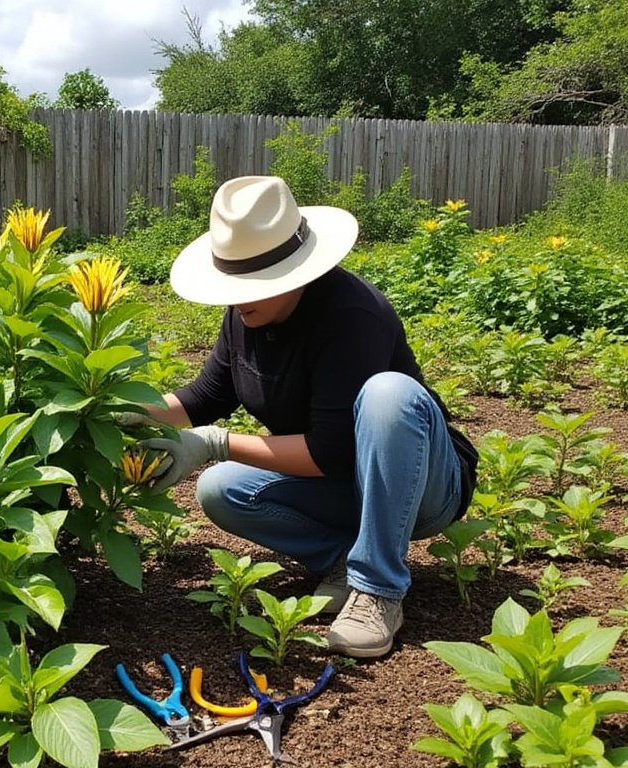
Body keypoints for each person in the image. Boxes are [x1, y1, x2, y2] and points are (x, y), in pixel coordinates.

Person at [131, 175, 478, 658]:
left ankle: (378, 589)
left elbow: (329, 452)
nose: (236, 296)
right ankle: (345, 562)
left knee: (389, 395)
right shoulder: (246, 313)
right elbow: (203, 397)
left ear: (296, 274)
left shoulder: (351, 315)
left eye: (251, 283)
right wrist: (122, 410)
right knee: (221, 488)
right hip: (347, 485)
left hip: (423, 488)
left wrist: (214, 443)